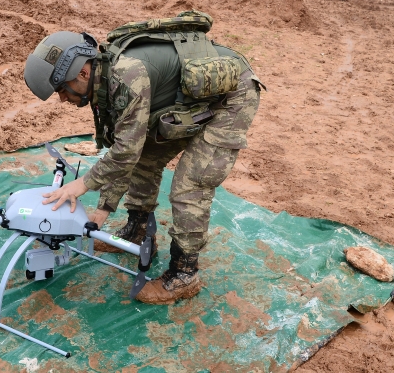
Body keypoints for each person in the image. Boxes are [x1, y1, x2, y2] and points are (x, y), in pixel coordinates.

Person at [23, 17, 262, 304]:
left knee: (190, 187)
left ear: (83, 73)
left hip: (232, 97)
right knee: (145, 157)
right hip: (187, 99)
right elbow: (123, 148)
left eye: (61, 89)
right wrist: (104, 207)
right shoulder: (103, 82)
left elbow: (125, 152)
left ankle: (184, 274)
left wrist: (82, 185)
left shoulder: (127, 76)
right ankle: (137, 231)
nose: (62, 99)